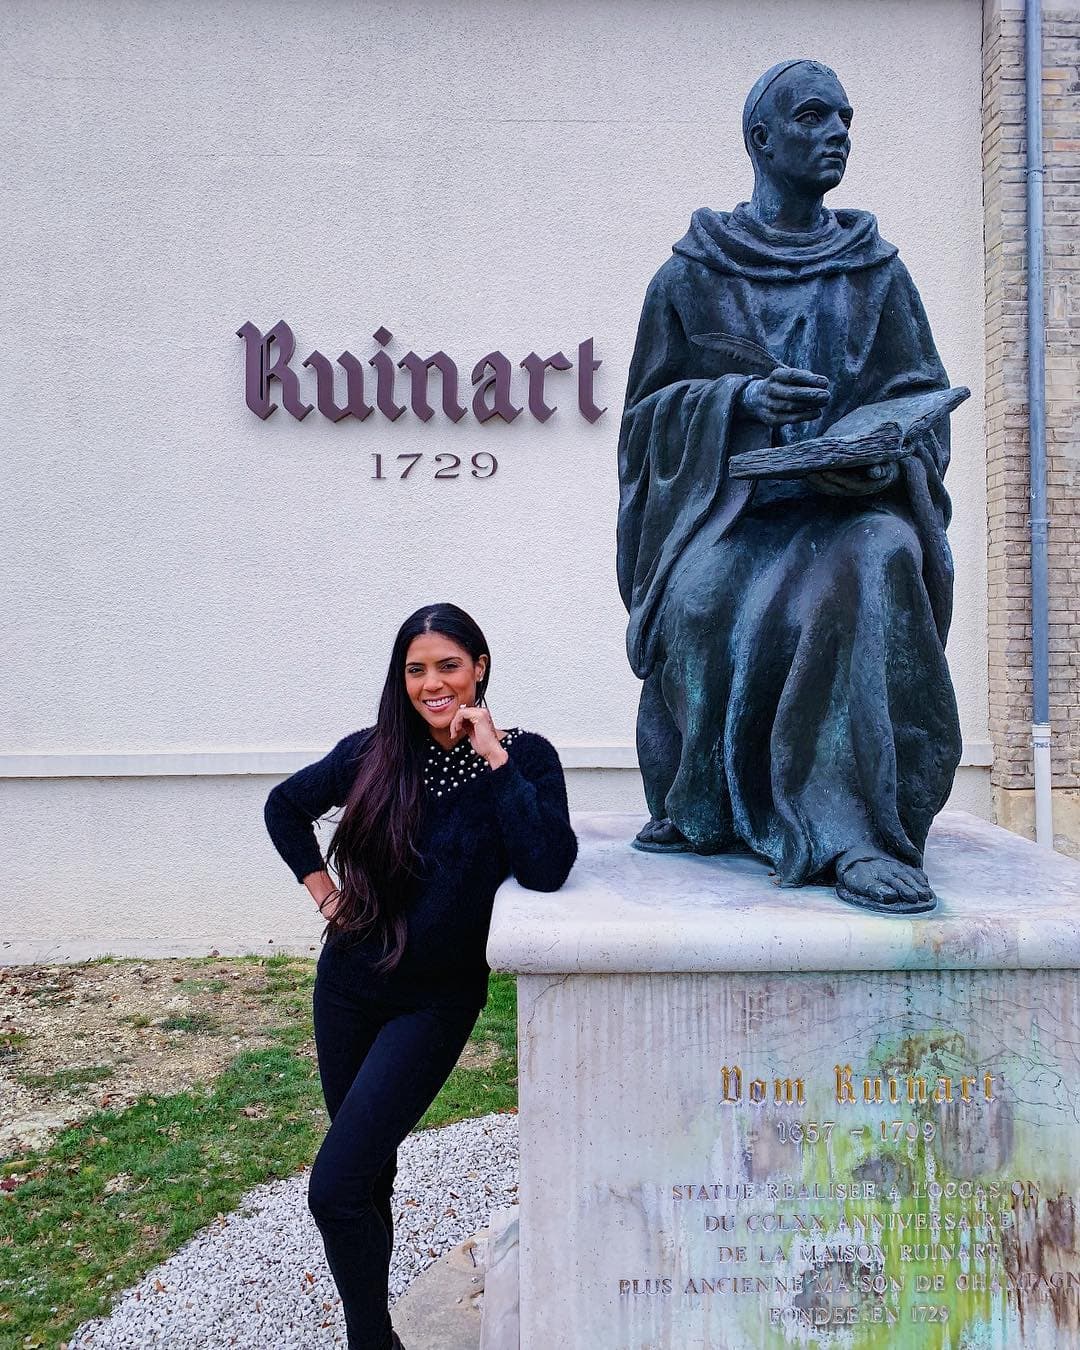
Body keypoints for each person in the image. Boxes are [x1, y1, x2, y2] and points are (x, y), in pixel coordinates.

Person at [616, 59, 963, 915]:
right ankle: (710, 801)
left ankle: (854, 833)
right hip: (732, 516)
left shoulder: (876, 271)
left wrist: (884, 452)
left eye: (846, 118)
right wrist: (738, 401)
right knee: (694, 600)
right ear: (761, 139)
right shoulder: (691, 276)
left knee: (878, 556)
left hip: (849, 511)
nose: (838, 133)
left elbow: (919, 391)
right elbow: (642, 424)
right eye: (814, 118)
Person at [263, 603, 577, 1350]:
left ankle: (371, 1342)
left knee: (334, 1189)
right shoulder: (371, 752)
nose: (431, 683)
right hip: (347, 989)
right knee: (368, 1179)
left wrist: (495, 757)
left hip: (433, 1004)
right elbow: (284, 807)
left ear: (479, 669)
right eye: (416, 669)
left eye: (447, 666)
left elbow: (547, 866)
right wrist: (325, 894)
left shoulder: (525, 759)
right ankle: (375, 1337)